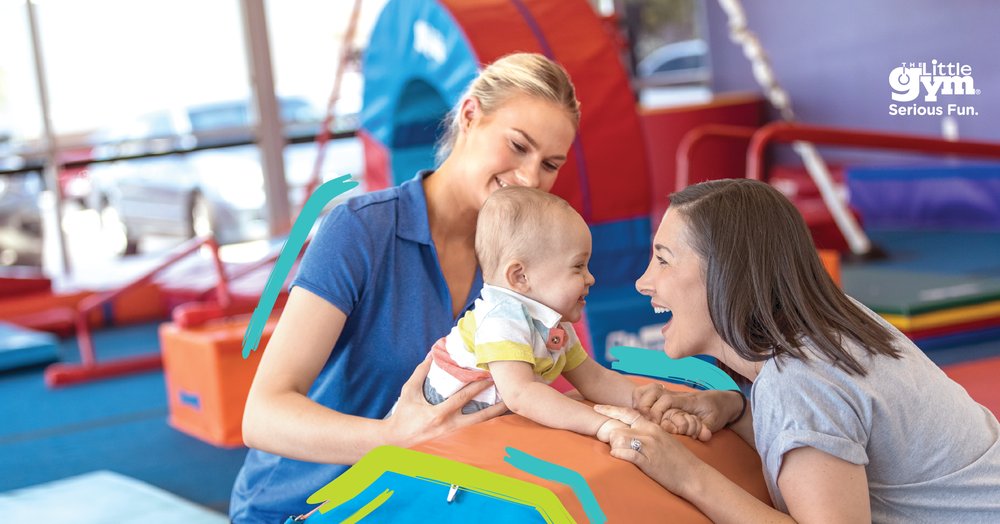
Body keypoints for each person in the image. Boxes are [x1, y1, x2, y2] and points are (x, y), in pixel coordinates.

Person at [230, 53, 580, 523]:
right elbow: (262, 416)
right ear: (471, 115)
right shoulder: (359, 230)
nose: (530, 178)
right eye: (518, 146)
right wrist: (390, 437)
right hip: (299, 508)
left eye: (550, 164)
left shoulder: (519, 267)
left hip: (421, 505)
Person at [594, 178, 1000, 522]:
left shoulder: (798, 380)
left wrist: (685, 474)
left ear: (725, 275)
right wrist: (739, 413)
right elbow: (842, 443)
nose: (643, 282)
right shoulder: (829, 327)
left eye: (663, 261)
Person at [395, 186, 639, 442]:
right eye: (578, 266)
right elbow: (521, 395)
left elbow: (594, 378)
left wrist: (639, 399)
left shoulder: (552, 322)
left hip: (473, 429)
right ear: (520, 277)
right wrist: (600, 425)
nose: (590, 278)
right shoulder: (502, 319)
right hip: (431, 430)